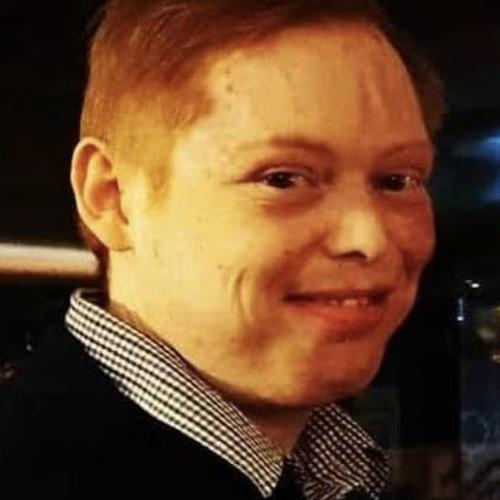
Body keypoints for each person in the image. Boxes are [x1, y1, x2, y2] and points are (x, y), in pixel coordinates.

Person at [0, 0, 445, 498]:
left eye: (397, 180)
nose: (368, 239)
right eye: (282, 179)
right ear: (113, 197)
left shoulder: (329, 469)